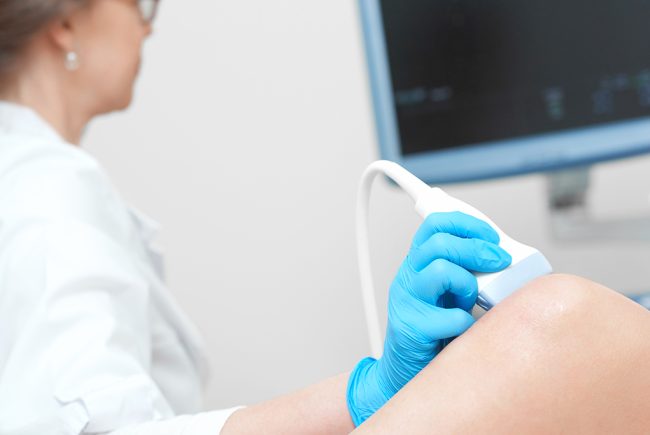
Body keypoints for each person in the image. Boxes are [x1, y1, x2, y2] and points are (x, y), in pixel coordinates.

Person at [0, 1, 649, 434]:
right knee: (560, 318)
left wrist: (373, 390)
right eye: (139, 6)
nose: (147, 26)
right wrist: (369, 390)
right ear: (65, 24)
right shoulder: (47, 189)